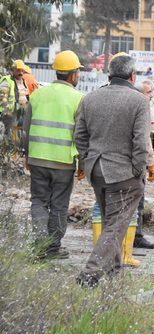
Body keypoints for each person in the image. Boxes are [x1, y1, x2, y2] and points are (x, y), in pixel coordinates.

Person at [74, 54, 151, 287]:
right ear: (132, 75)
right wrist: (139, 170)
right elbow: (140, 141)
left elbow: (79, 136)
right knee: (115, 226)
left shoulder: (90, 98)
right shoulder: (139, 101)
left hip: (97, 171)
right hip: (124, 174)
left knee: (112, 223)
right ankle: (91, 272)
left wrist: (88, 160)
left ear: (110, 74)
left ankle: (114, 272)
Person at [22, 51, 83, 259]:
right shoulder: (78, 99)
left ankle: (40, 246)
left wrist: (27, 155)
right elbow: (81, 135)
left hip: (38, 158)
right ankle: (52, 248)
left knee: (39, 202)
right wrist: (82, 162)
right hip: (63, 162)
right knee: (59, 204)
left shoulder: (38, 94)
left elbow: (26, 128)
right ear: (73, 75)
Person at [133, 79, 154, 250]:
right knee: (137, 201)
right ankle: (136, 236)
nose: (152, 95)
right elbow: (145, 140)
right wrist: (151, 163)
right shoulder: (141, 108)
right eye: (149, 92)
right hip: (138, 162)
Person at [0, 59, 29, 139]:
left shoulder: (23, 81)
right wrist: (6, 112)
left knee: (16, 137)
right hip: (9, 115)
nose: (21, 73)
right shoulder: (7, 80)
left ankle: (15, 150)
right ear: (13, 70)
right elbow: (2, 98)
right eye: (18, 70)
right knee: (7, 137)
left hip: (20, 114)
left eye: (22, 70)